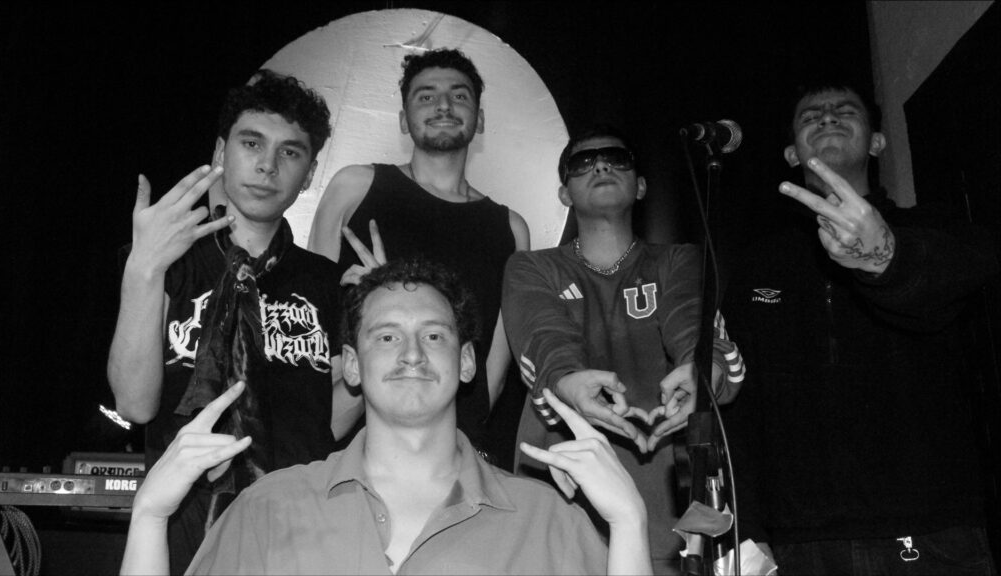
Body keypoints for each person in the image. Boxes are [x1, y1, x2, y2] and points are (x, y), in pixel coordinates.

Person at [120, 258, 651, 575]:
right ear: (351, 365)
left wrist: (629, 523)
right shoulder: (268, 508)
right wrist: (149, 517)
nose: (412, 354)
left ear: (467, 362)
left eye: (434, 335)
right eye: (387, 337)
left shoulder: (548, 520)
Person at [721, 80, 998, 575]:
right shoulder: (757, 264)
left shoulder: (935, 229)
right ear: (792, 154)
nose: (827, 117)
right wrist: (746, 529)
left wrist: (883, 256)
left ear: (877, 142)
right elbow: (741, 408)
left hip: (933, 528)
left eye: (844, 110)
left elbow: (954, 280)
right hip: (799, 540)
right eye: (810, 117)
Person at [107, 70, 354, 575]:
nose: (267, 165)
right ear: (221, 151)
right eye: (251, 143)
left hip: (301, 530)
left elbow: (331, 417)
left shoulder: (328, 282)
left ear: (310, 173)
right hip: (180, 526)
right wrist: (143, 269)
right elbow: (133, 403)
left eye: (290, 152)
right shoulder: (166, 262)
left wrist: (381, 335)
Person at [501, 125, 746, 574]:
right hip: (559, 510)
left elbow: (691, 324)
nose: (600, 166)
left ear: (642, 186)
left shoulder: (678, 260)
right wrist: (566, 381)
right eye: (583, 162)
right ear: (563, 193)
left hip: (668, 516)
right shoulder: (531, 267)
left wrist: (701, 368)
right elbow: (543, 335)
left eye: (617, 158)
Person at [308, 48, 530, 460]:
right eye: (426, 96)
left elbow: (492, 371)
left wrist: (469, 444)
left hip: (453, 453)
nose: (443, 105)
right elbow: (311, 324)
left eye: (459, 95)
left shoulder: (510, 228)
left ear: (480, 119)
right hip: (346, 446)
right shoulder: (355, 187)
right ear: (402, 120)